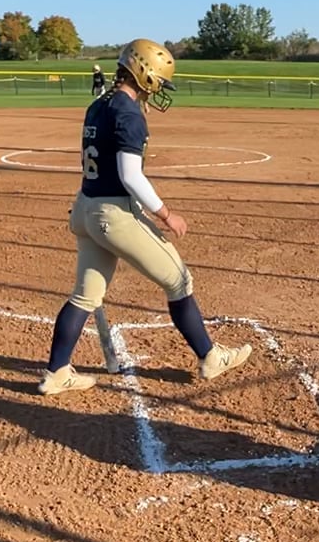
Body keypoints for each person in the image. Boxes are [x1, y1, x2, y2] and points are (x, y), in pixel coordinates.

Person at [38, 38, 254, 396]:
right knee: (179, 280)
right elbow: (131, 176)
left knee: (85, 295)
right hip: (114, 215)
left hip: (86, 206)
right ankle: (211, 356)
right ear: (145, 75)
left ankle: (57, 372)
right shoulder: (128, 114)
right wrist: (166, 214)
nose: (160, 88)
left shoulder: (99, 104)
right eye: (159, 80)